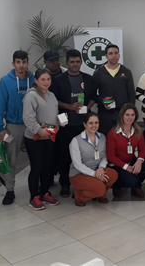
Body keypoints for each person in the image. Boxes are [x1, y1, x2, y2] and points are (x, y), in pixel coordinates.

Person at [50, 49, 96, 198]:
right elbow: (54, 100)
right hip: (65, 125)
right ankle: (65, 184)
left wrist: (87, 107)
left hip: (83, 124)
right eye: (72, 62)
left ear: (81, 62)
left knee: (85, 155)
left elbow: (93, 97)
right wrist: (69, 106)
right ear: (67, 63)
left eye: (77, 61)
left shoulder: (88, 79)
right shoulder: (58, 80)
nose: (75, 64)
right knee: (64, 156)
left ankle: (83, 182)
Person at [0, 50, 34, 205]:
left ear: (27, 63)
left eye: (24, 62)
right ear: (13, 63)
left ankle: (37, 188)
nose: (21, 65)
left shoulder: (34, 79)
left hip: (32, 124)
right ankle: (10, 190)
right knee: (11, 159)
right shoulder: (5, 81)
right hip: (13, 125)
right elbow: (0, 105)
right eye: (18, 62)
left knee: (36, 158)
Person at [22, 68, 62, 210]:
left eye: (48, 79)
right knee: (37, 167)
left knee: (48, 166)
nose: (46, 82)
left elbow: (54, 114)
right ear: (36, 81)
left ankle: (44, 193)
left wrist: (59, 121)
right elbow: (28, 118)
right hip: (35, 139)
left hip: (49, 137)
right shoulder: (31, 96)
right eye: (43, 79)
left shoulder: (51, 95)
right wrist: (40, 131)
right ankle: (33, 197)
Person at [69, 112, 118, 206]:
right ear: (85, 124)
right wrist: (95, 174)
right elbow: (77, 164)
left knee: (113, 174)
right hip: (79, 173)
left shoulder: (102, 137)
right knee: (100, 188)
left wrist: (101, 168)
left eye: (96, 122)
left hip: (97, 170)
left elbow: (104, 156)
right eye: (91, 123)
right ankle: (79, 196)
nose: (94, 125)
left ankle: (100, 195)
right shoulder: (76, 141)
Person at [106, 104, 145, 198]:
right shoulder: (113, 133)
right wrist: (126, 167)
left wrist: (139, 161)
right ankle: (117, 186)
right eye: (127, 114)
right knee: (131, 180)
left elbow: (142, 149)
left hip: (131, 161)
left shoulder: (137, 131)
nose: (130, 117)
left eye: (132, 115)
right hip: (117, 165)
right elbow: (110, 156)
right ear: (122, 116)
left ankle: (135, 186)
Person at [91, 44, 136, 136]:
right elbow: (92, 94)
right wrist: (102, 101)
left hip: (122, 114)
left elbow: (131, 93)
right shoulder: (98, 73)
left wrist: (130, 112)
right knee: (104, 138)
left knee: (123, 138)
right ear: (106, 56)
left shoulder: (126, 72)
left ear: (119, 55)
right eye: (111, 53)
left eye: (116, 53)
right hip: (105, 114)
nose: (114, 55)